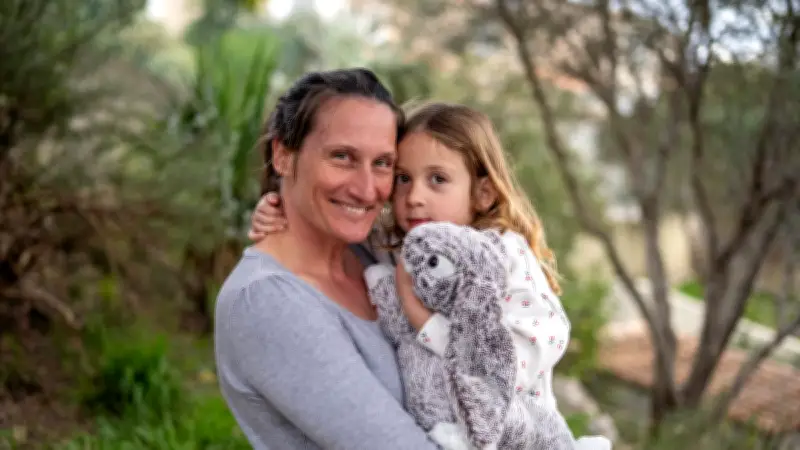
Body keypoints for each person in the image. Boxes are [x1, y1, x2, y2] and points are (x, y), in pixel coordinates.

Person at [250, 101, 611, 449]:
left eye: (437, 179)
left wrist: (425, 324)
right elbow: (339, 223)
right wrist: (281, 208)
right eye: (403, 179)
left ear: (483, 193)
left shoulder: (502, 253)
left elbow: (536, 343)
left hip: (513, 436)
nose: (414, 197)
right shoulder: (397, 243)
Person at [213, 68, 441, 450]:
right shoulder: (267, 301)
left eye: (382, 163)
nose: (366, 190)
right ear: (283, 155)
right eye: (342, 157)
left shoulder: (375, 253)